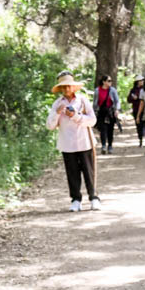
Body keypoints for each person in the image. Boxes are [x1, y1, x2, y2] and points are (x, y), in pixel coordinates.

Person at [47, 71, 100, 211]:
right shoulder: (57, 104)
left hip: (85, 142)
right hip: (67, 144)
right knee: (72, 173)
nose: (66, 89)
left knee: (89, 172)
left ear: (73, 86)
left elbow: (93, 120)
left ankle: (94, 198)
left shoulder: (82, 100)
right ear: (60, 88)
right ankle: (76, 200)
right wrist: (57, 113)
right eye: (63, 87)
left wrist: (76, 116)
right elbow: (50, 126)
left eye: (68, 86)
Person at [93, 73, 120, 154]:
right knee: (103, 129)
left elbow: (117, 101)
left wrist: (117, 110)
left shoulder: (113, 90)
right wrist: (94, 112)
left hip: (110, 112)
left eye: (111, 81)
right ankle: (104, 146)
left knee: (110, 129)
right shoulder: (97, 90)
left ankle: (110, 146)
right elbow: (95, 103)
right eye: (109, 81)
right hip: (101, 112)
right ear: (104, 82)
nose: (110, 82)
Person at [128, 73, 145, 155]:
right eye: (140, 80)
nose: (141, 82)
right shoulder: (133, 90)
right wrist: (133, 98)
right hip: (136, 110)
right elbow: (129, 99)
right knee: (138, 125)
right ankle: (140, 139)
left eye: (142, 80)